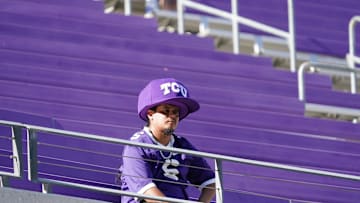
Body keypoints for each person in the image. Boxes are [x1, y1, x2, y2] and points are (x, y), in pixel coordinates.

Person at [118, 78, 216, 203]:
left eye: (176, 112)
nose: (172, 116)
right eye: (166, 111)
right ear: (150, 114)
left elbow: (211, 183)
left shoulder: (183, 145)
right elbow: (148, 192)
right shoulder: (137, 146)